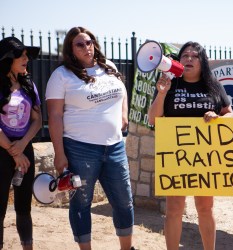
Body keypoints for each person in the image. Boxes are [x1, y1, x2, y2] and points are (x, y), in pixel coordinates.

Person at [45, 27, 134, 250]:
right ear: (70, 50)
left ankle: (127, 248)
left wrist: (124, 114)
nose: (87, 47)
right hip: (80, 149)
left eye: (89, 42)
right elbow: (55, 116)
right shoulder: (61, 75)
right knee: (82, 203)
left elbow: (122, 90)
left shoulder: (109, 66)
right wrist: (59, 154)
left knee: (124, 201)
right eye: (80, 44)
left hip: (114, 146)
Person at [148, 41, 233, 250]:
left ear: (202, 61)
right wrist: (161, 93)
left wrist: (218, 118)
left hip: (205, 156)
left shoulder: (213, 85)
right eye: (184, 55)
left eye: (194, 56)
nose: (188, 59)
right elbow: (153, 119)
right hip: (178, 157)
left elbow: (230, 114)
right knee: (174, 209)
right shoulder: (170, 83)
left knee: (205, 208)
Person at [0, 37, 42, 250]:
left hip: (25, 150)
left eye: (27, 55)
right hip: (2, 150)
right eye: (22, 55)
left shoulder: (29, 84)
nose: (26, 59)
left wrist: (23, 144)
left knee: (24, 207)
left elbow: (37, 120)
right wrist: (12, 150)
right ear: (8, 59)